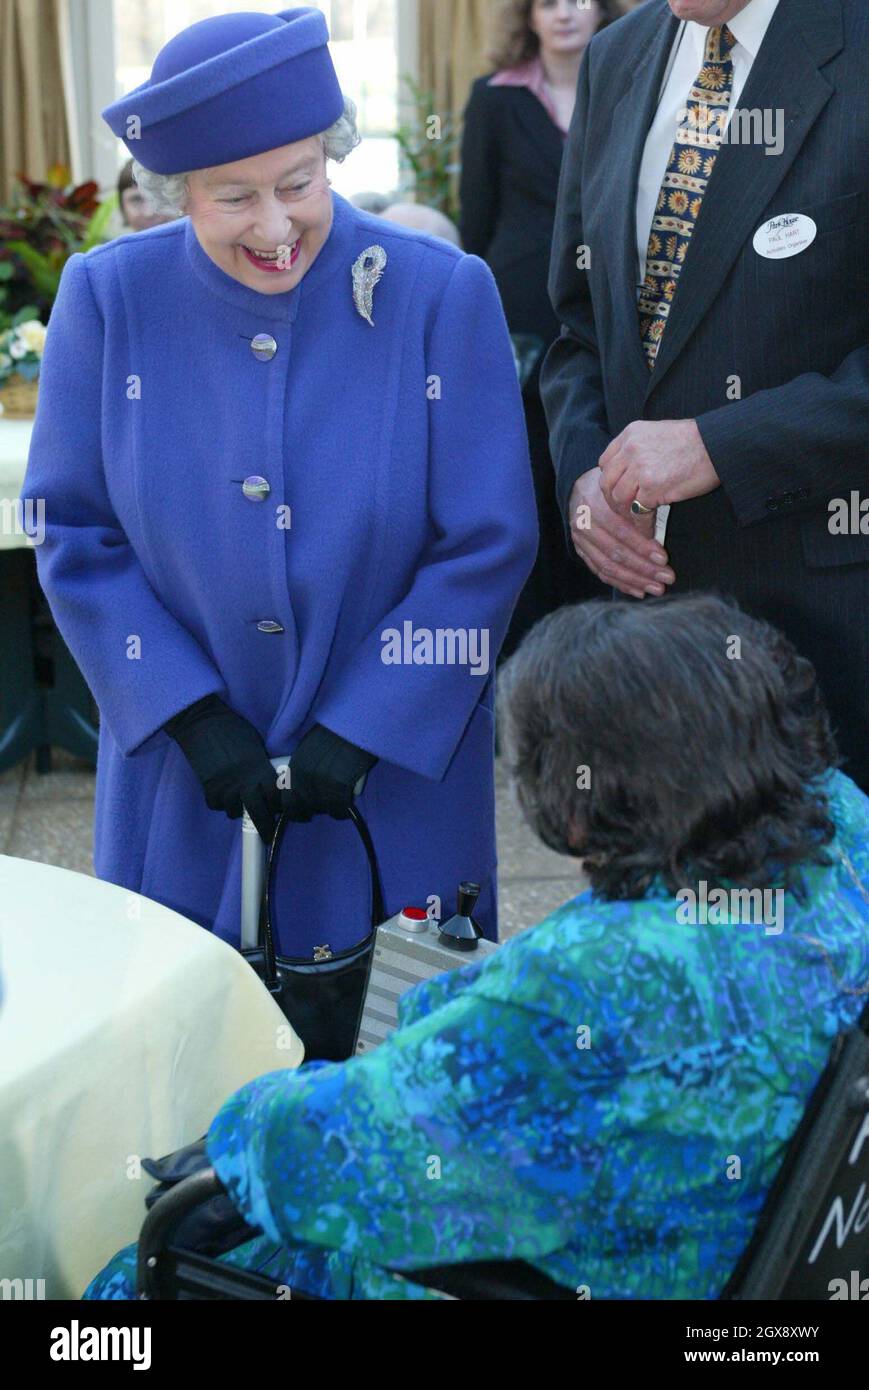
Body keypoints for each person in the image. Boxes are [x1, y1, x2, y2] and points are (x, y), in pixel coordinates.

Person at [85, 594, 869, 1300]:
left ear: (570, 807)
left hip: (590, 1267)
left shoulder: (599, 984)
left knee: (133, 1275)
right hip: (728, 1242)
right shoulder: (847, 842)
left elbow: (324, 1150)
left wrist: (234, 1139)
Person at [20, 8, 537, 966]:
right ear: (174, 194)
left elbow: (487, 539)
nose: (275, 226)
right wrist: (189, 714)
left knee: (395, 1058)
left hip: (395, 778)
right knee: (187, 1062)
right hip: (186, 778)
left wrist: (366, 722)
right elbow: (73, 531)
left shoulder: (439, 293)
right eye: (233, 199)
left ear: (332, 157)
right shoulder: (109, 300)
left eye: (298, 185)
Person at [541, 0, 869, 790]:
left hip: (834, 617)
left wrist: (721, 444)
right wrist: (589, 480)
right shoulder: (617, 55)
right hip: (652, 628)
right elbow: (578, 327)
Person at [459, 0, 620, 657]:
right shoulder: (492, 98)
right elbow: (475, 219)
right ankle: (529, 651)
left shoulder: (631, 81)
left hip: (606, 310)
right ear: (526, 15)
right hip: (516, 317)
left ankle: (600, 647)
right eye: (548, 1)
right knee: (523, 475)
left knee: (596, 468)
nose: (564, 13)